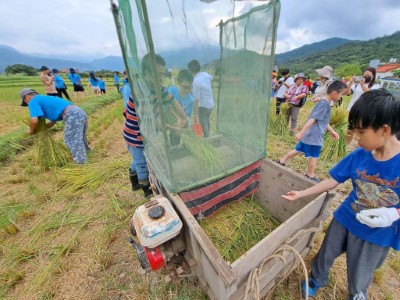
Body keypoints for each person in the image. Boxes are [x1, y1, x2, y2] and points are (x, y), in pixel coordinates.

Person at [282, 89, 400, 300]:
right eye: (354, 130)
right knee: (326, 253)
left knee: (360, 271)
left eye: (361, 132)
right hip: (346, 218)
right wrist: (301, 193)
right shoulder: (359, 156)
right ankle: (317, 278)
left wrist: (394, 215)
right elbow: (333, 180)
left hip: (376, 233)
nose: (355, 138)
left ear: (384, 130)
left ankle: (357, 294)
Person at [278, 81, 346, 182]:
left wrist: (332, 131)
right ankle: (310, 174)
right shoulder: (325, 105)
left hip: (311, 133)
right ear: (334, 93)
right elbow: (313, 119)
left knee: (299, 149)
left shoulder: (324, 102)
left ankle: (282, 160)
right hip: (315, 135)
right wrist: (301, 133)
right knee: (314, 155)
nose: (341, 97)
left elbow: (323, 121)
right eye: (341, 94)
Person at [20, 88, 90, 164]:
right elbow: (54, 122)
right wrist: (42, 129)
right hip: (78, 111)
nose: (27, 104)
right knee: (79, 136)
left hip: (71, 114)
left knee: (71, 139)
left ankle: (81, 162)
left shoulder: (33, 101)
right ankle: (87, 153)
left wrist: (31, 131)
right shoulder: (44, 98)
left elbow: (34, 120)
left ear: (26, 97)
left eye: (25, 102)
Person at [345, 67, 380, 144]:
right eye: (365, 75)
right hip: (353, 109)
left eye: (368, 75)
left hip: (365, 111)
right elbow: (348, 93)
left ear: (373, 76)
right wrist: (350, 83)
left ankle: (362, 146)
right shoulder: (357, 85)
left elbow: (370, 95)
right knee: (351, 128)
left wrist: (363, 85)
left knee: (363, 129)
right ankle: (345, 145)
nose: (366, 77)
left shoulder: (376, 86)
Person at [188, 59, 215, 138]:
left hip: (203, 106)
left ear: (190, 70)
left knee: (203, 123)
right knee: (206, 120)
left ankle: (207, 138)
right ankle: (208, 135)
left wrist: (195, 113)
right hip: (210, 104)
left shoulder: (195, 82)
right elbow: (211, 77)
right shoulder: (205, 74)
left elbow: (196, 99)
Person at [167, 69, 195, 145]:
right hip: (170, 118)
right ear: (178, 83)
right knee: (174, 130)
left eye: (189, 87)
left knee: (177, 135)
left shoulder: (191, 100)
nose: (187, 90)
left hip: (180, 123)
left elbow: (186, 116)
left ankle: (176, 145)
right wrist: (177, 118)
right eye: (184, 87)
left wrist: (184, 121)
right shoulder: (171, 91)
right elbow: (168, 107)